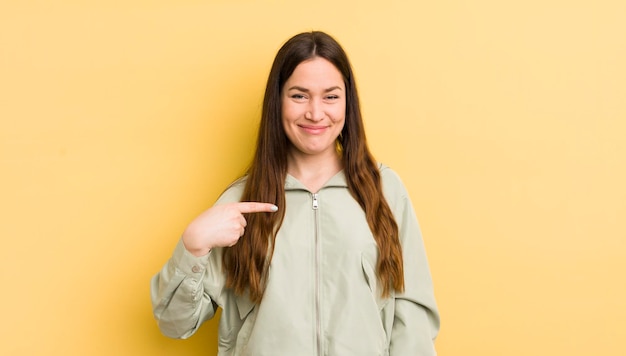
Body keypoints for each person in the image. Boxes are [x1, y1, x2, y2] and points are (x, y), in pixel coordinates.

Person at [151, 30, 440, 355]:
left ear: (348, 102)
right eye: (299, 96)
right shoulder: (241, 203)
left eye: (330, 97)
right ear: (278, 101)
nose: (316, 113)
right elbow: (174, 323)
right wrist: (193, 246)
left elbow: (412, 317)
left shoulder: (385, 190)